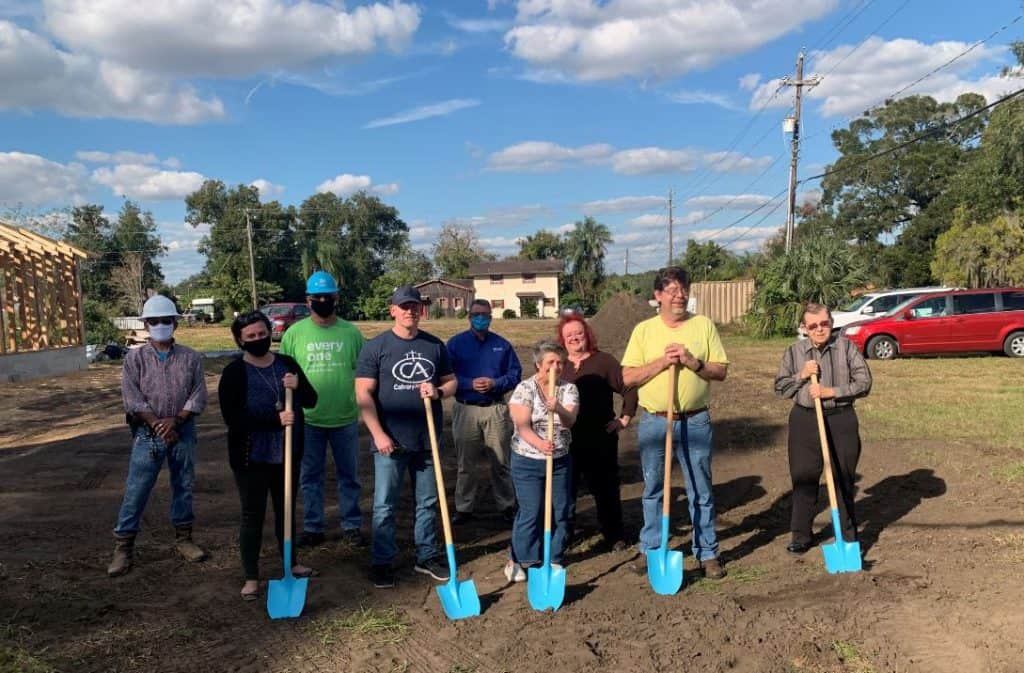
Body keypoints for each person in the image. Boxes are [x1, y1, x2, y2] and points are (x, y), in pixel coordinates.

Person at [621, 266, 730, 580]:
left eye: (683, 289)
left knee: (701, 488)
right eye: (672, 290)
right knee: (654, 487)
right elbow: (627, 377)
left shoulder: (703, 325)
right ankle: (651, 546)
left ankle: (707, 552)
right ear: (658, 296)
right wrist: (662, 362)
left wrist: (691, 361)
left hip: (695, 421)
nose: (680, 296)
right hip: (655, 422)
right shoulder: (644, 331)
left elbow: (720, 371)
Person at [355, 285, 457, 589]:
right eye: (404, 306)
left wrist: (438, 391)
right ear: (393, 310)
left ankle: (426, 555)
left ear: (420, 310)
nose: (410, 311)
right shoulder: (376, 347)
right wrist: (378, 434)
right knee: (385, 505)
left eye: (415, 306)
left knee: (427, 502)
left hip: (427, 441)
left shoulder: (435, 346)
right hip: (390, 442)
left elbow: (452, 383)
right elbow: (363, 394)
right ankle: (382, 561)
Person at [218, 311, 319, 600]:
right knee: (253, 515)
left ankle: (292, 563)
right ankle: (251, 577)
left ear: (269, 333)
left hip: (286, 453)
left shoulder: (287, 364)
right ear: (240, 340)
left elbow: (311, 400)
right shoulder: (234, 372)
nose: (258, 339)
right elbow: (233, 418)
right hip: (251, 457)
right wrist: (275, 420)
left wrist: (298, 387)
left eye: (262, 333)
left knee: (286, 510)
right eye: (250, 336)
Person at [107, 295, 208, 577]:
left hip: (182, 431)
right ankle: (124, 546)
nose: (161, 325)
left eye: (166, 320)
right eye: (154, 321)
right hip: (147, 434)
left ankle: (184, 538)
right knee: (137, 488)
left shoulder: (190, 357)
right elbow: (132, 397)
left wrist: (176, 420)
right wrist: (156, 423)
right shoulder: (134, 359)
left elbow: (198, 394)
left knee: (184, 484)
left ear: (175, 322)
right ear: (146, 325)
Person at [774, 302, 872, 554]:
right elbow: (780, 388)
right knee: (804, 478)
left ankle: (848, 537)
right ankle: (801, 535)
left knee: (843, 478)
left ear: (831, 323)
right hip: (805, 421)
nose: (819, 329)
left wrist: (832, 392)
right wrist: (802, 375)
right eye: (813, 325)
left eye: (824, 324)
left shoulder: (846, 347)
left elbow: (864, 382)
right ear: (804, 328)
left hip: (841, 419)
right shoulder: (794, 352)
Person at [280, 271, 366, 548]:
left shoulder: (351, 333)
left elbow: (364, 372)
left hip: (345, 417)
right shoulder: (294, 334)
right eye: (317, 297)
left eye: (327, 297)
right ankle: (313, 526)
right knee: (310, 476)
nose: (322, 301)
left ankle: (351, 525)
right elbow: (283, 375)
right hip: (309, 419)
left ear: (336, 299)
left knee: (349, 476)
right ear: (307, 300)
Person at [558, 314, 637, 552]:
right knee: (565, 489)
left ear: (587, 335)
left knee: (605, 488)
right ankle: (564, 535)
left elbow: (628, 388)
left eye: (578, 333)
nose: (574, 338)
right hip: (567, 438)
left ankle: (614, 534)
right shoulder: (559, 364)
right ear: (562, 340)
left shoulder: (604, 361)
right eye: (569, 335)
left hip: (600, 437)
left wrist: (624, 419)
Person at [504, 340, 579, 583]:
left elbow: (570, 421)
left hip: (559, 460)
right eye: (550, 362)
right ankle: (519, 559)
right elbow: (522, 425)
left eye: (560, 362)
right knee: (531, 510)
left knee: (561, 508)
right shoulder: (524, 389)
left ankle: (554, 556)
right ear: (539, 365)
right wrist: (539, 444)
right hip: (527, 459)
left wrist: (557, 408)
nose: (556, 366)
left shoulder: (568, 389)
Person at [446, 299, 522, 525]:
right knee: (465, 464)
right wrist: (470, 384)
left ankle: (507, 505)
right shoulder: (455, 344)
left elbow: (515, 374)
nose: (481, 318)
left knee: (501, 461)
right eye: (477, 314)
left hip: (495, 409)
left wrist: (495, 383)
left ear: (491, 317)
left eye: (485, 315)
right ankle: (464, 507)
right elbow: (446, 376)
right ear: (469, 317)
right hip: (465, 409)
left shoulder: (502, 345)